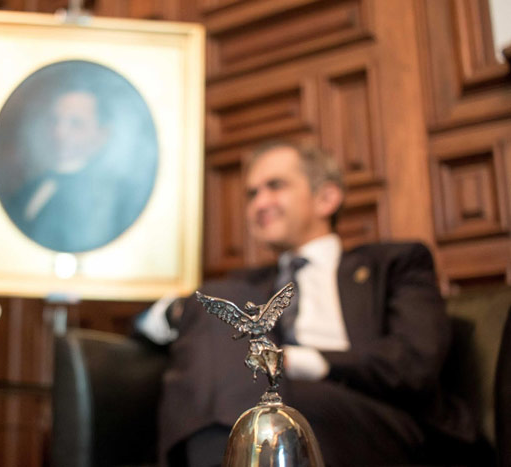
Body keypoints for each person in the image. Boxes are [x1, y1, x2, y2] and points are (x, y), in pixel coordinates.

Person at [147, 142, 477, 467]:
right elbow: (147, 324)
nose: (259, 203)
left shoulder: (395, 263)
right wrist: (181, 310)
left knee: (268, 402)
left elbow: (414, 363)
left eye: (275, 186)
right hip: (264, 397)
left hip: (374, 416)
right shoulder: (243, 285)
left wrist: (308, 361)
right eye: (252, 194)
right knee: (223, 304)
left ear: (326, 198)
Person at [3, 87, 155, 253]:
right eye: (54, 121)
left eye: (75, 124)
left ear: (102, 135)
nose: (59, 133)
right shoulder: (30, 188)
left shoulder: (110, 196)